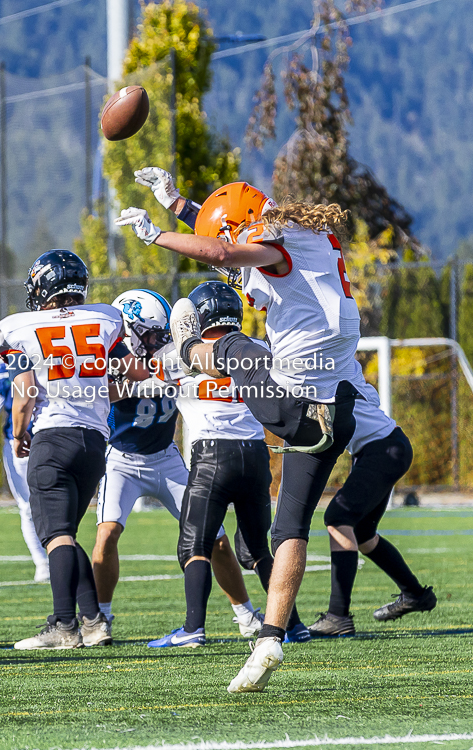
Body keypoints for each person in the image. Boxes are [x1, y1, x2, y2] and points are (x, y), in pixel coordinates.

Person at [117, 169, 361, 692]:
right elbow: (224, 236)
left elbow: (224, 252)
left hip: (297, 403)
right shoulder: (304, 239)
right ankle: (271, 636)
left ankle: (181, 355)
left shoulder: (272, 243)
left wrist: (155, 235)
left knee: (230, 348)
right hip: (335, 412)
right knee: (289, 529)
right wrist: (179, 203)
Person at [93, 287, 266, 641]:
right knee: (107, 532)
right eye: (152, 334)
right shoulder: (109, 363)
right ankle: (101, 619)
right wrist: (132, 382)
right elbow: (99, 392)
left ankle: (246, 615)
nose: (159, 341)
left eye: (162, 334)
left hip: (167, 457)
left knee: (215, 539)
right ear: (128, 332)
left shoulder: (173, 358)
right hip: (123, 460)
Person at [0, 249, 134, 650]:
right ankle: (93, 623)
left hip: (53, 437)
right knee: (65, 533)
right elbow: (132, 372)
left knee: (55, 535)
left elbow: (23, 391)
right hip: (94, 442)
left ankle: (64, 626)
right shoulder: (104, 318)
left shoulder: (19, 327)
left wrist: (18, 434)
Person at [142, 281, 276, 648]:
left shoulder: (176, 357)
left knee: (194, 545)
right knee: (257, 548)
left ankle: (192, 629)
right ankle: (288, 625)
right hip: (255, 454)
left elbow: (142, 376)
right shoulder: (260, 349)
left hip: (212, 455)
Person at [307, 386, 437, 635]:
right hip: (382, 446)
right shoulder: (336, 372)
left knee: (337, 518)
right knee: (363, 533)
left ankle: (338, 617)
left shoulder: (324, 374)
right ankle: (415, 594)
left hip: (381, 448)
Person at [0, 362, 49, 583]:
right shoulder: (4, 374)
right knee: (28, 507)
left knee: (56, 507)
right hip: (20, 446)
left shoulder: (53, 361)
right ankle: (42, 562)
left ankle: (61, 558)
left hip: (53, 441)